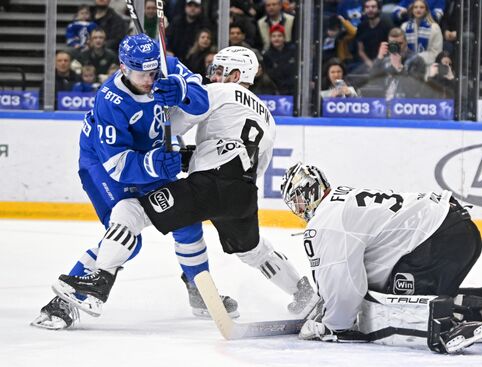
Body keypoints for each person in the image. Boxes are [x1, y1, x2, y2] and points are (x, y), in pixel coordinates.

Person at [47, 46, 319, 324]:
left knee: (132, 212)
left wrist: (169, 101)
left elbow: (171, 126)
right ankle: (303, 293)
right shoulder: (268, 116)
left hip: (209, 186)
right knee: (252, 249)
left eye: (219, 71)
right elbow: (251, 161)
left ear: (236, 74)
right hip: (244, 194)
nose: (212, 76)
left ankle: (99, 282)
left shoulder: (219, 92)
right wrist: (193, 154)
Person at [31, 34, 238, 330]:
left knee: (186, 220)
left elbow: (201, 101)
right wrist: (154, 163)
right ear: (123, 67)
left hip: (151, 154)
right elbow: (117, 165)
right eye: (143, 74)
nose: (151, 79)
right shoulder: (109, 100)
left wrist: (180, 89)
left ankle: (199, 291)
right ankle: (66, 300)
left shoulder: (165, 66)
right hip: (102, 165)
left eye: (155, 72)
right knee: (127, 235)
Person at [280, 163, 482, 353]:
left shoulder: (327, 221)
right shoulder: (343, 201)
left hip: (436, 241)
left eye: (296, 200)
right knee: (402, 290)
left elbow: (345, 286)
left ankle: (446, 327)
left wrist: (331, 326)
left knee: (378, 309)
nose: (298, 208)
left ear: (306, 192)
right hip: (459, 231)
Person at [368, 27, 427, 100]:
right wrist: (379, 58)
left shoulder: (417, 60)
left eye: (400, 43)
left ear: (406, 42)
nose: (397, 47)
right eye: (393, 44)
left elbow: (414, 90)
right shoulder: (384, 60)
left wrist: (399, 68)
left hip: (406, 104)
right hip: (384, 103)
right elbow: (372, 83)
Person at [400, 0, 443, 65]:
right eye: (415, 7)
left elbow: (436, 52)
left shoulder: (434, 28)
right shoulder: (404, 27)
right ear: (412, 10)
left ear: (426, 10)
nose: (418, 9)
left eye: (422, 7)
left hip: (428, 65)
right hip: (407, 65)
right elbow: (401, 50)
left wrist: (418, 58)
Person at [355, 0, 393, 72]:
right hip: (366, 63)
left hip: (385, 61)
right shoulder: (361, 27)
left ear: (379, 9)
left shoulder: (387, 25)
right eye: (367, 7)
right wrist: (370, 64)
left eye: (373, 7)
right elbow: (360, 51)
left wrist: (378, 63)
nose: (370, 9)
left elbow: (392, 48)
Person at [262, 23, 297, 95]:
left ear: (284, 38)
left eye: (279, 36)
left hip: (294, 89)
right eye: (273, 36)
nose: (276, 38)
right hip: (276, 90)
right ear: (270, 38)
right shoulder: (267, 55)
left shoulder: (294, 51)